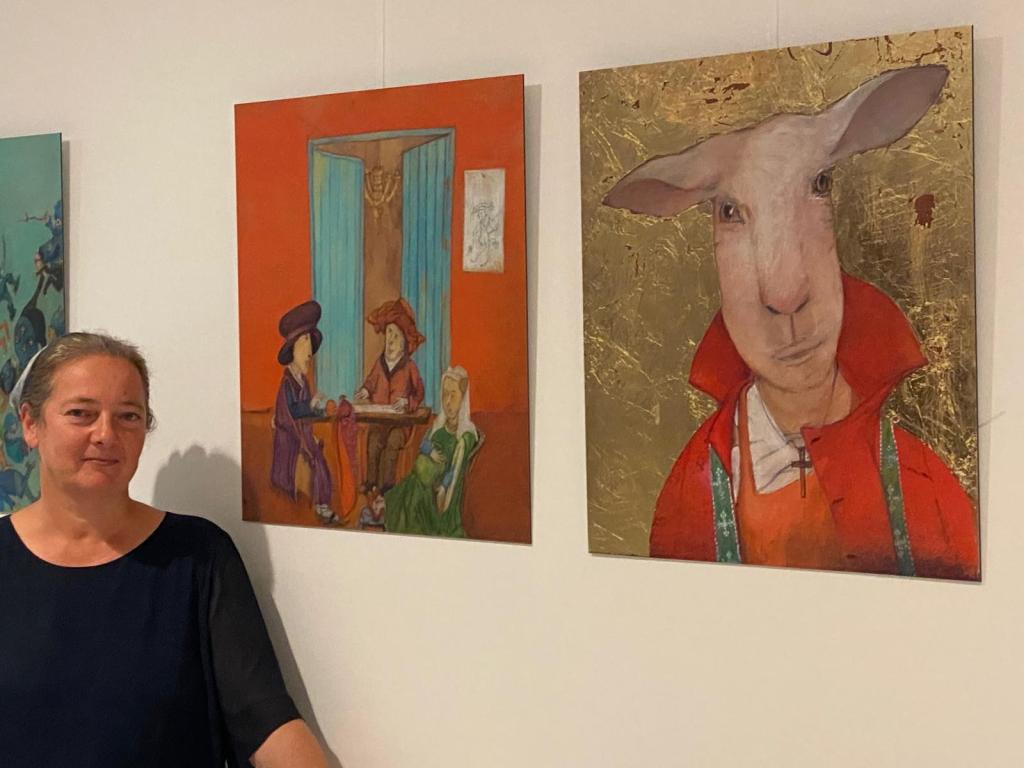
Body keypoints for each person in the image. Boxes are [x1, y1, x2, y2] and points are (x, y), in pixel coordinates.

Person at [0, 332, 328, 767]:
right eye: (81, 413)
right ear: (30, 424)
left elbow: (266, 720)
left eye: (128, 416)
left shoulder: (198, 555)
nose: (106, 434)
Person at [376, 365, 478, 537]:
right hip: (421, 480)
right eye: (445, 394)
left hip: (435, 492)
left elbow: (456, 468)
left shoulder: (464, 436)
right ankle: (390, 507)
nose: (447, 401)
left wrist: (443, 487)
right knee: (415, 480)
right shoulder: (438, 427)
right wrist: (430, 453)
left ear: (462, 398)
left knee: (416, 488)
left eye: (453, 395)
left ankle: (390, 509)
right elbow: (423, 445)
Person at [270, 300, 336, 524]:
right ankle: (317, 504)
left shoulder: (304, 382)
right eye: (304, 341)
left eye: (310, 342)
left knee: (319, 456)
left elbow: (305, 413)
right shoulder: (287, 383)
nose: (309, 353)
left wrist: (318, 410)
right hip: (289, 440)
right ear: (293, 349)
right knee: (311, 456)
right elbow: (290, 413)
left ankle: (322, 503)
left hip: (302, 435)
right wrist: (311, 406)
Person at [354, 297, 425, 493]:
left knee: (392, 443)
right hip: (380, 422)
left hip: (400, 425)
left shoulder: (410, 367)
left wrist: (408, 403)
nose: (391, 341)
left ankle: (386, 488)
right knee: (374, 441)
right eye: (389, 334)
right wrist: (365, 390)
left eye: (396, 336)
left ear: (404, 343)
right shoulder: (380, 364)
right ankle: (371, 482)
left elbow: (419, 393)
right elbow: (370, 382)